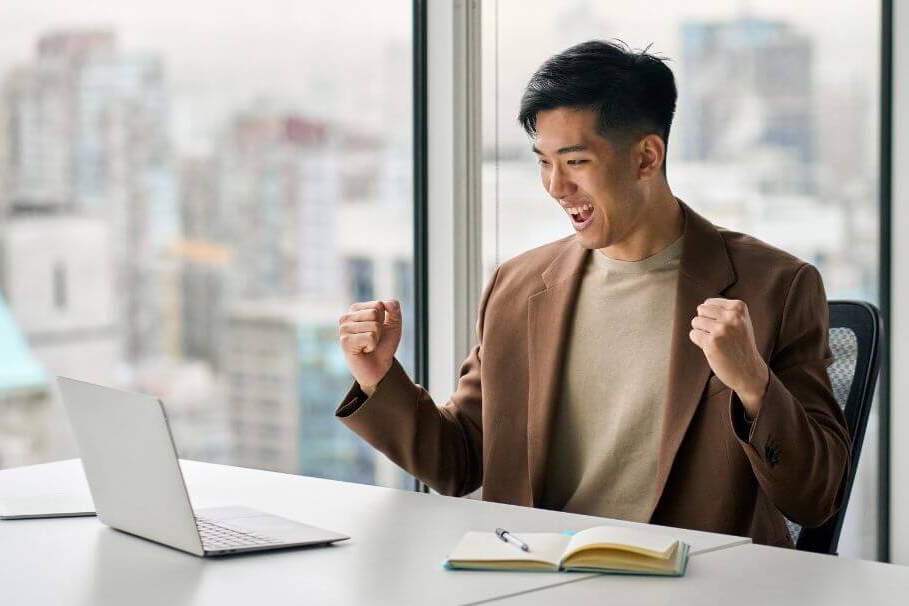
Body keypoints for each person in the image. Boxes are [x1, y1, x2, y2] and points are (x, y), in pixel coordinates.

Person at [334, 40, 849, 547]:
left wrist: (754, 385)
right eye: (543, 162)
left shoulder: (775, 288)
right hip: (537, 581)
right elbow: (459, 461)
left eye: (575, 162)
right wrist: (379, 377)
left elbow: (815, 498)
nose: (556, 187)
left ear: (647, 157)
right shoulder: (516, 288)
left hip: (694, 588)